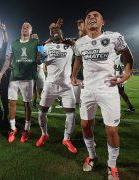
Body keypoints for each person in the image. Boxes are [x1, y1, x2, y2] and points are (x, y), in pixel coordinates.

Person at [71, 9, 134, 180]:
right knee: (84, 125)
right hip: (88, 90)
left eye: (95, 16)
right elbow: (78, 58)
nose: (91, 18)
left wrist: (127, 74)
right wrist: (73, 75)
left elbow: (128, 56)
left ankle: (112, 165)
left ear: (103, 21)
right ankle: (92, 156)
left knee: (112, 130)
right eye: (88, 16)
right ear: (85, 22)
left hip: (108, 89)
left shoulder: (114, 37)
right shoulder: (80, 42)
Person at [35, 24, 77, 153]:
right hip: (50, 84)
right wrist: (38, 58)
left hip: (66, 85)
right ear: (50, 35)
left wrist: (74, 43)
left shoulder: (70, 44)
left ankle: (67, 139)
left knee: (70, 113)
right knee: (42, 111)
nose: (55, 32)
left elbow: (82, 45)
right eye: (52, 31)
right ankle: (44, 134)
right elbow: (39, 61)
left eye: (57, 30)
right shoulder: (45, 47)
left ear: (62, 32)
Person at [0, 22, 39, 143]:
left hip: (28, 77)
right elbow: (8, 60)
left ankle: (26, 129)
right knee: (12, 102)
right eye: (23, 27)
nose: (25, 28)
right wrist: (0, 74)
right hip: (14, 76)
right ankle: (12, 128)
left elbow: (40, 58)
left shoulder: (35, 42)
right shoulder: (14, 43)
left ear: (31, 30)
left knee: (27, 104)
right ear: (21, 30)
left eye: (27, 27)